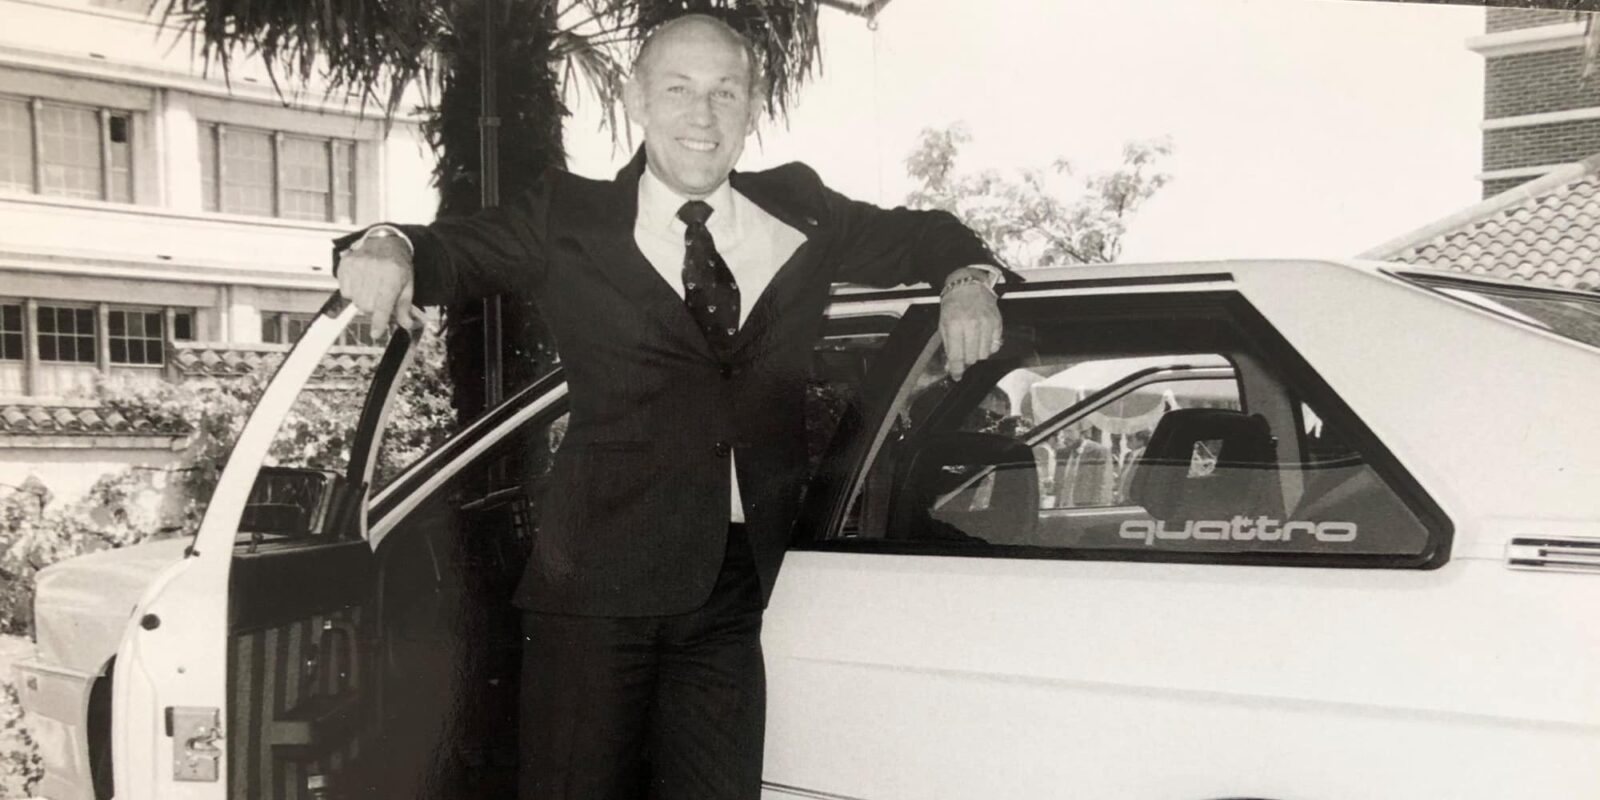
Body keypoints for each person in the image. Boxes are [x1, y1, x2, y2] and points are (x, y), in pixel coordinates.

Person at [334, 13, 1007, 799]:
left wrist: (966, 280)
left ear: (753, 107)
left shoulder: (802, 209)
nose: (703, 114)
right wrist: (387, 243)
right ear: (636, 100)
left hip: (734, 590)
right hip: (594, 595)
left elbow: (928, 234)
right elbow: (443, 248)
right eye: (679, 90)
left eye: (726, 92)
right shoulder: (567, 217)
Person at [1053, 425, 1113, 508]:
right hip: (1063, 509)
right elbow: (1059, 484)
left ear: (1082, 432)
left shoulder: (1098, 451)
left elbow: (1104, 486)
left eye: (1069, 431)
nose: (1065, 436)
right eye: (1063, 431)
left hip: (1085, 509)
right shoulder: (1063, 453)